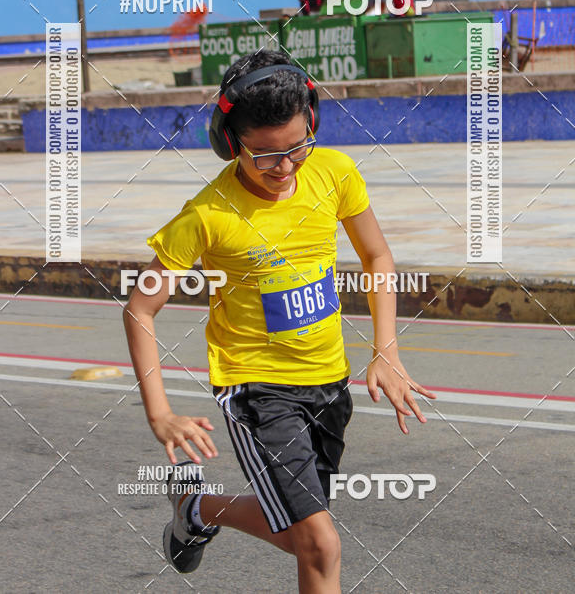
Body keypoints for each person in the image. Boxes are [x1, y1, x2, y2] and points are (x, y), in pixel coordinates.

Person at [123, 49, 435, 593]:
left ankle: (196, 510)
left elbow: (378, 257)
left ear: (312, 123)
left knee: (301, 538)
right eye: (264, 156)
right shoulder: (207, 215)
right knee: (321, 543)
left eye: (297, 147)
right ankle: (196, 510)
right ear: (229, 142)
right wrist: (160, 413)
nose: (285, 167)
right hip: (257, 391)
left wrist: (386, 350)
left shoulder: (334, 173)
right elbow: (140, 308)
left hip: (328, 384)